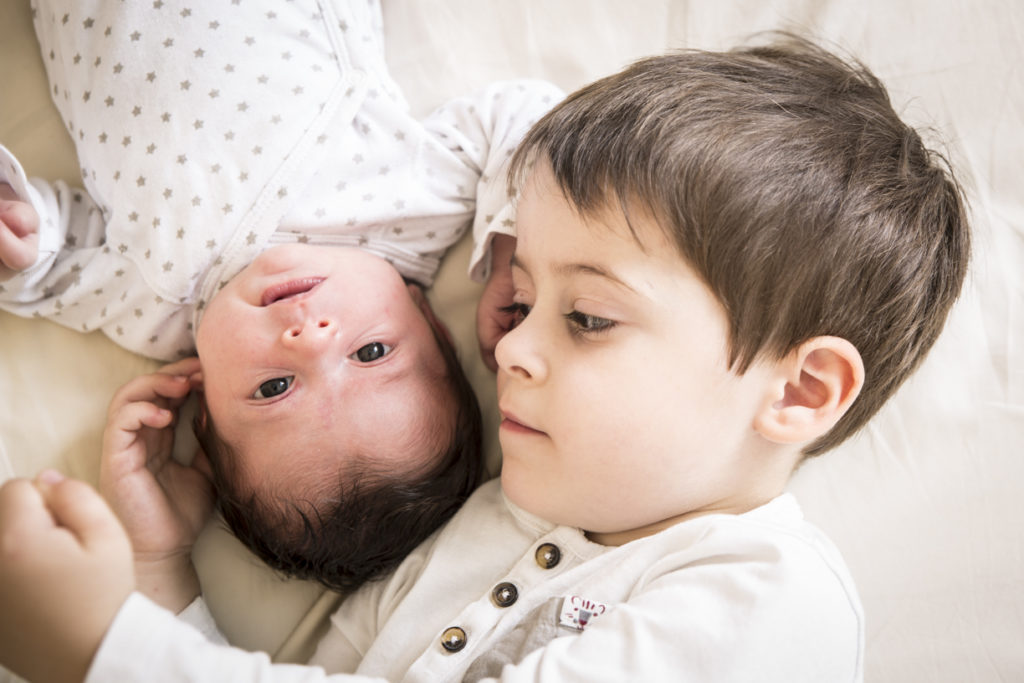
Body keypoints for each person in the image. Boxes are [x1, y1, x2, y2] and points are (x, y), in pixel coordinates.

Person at [0, 35, 970, 683]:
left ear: (797, 389)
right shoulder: (486, 519)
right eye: (523, 293)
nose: (509, 344)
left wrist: (105, 648)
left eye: (586, 316)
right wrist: (161, 570)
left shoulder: (766, 601)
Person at [0, 0, 562, 594]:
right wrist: (511, 246)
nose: (310, 339)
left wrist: (28, 239)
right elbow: (528, 123)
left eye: (274, 388)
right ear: (429, 321)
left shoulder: (161, 311)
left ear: (207, 408)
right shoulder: (412, 205)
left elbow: (58, 267)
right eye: (371, 353)